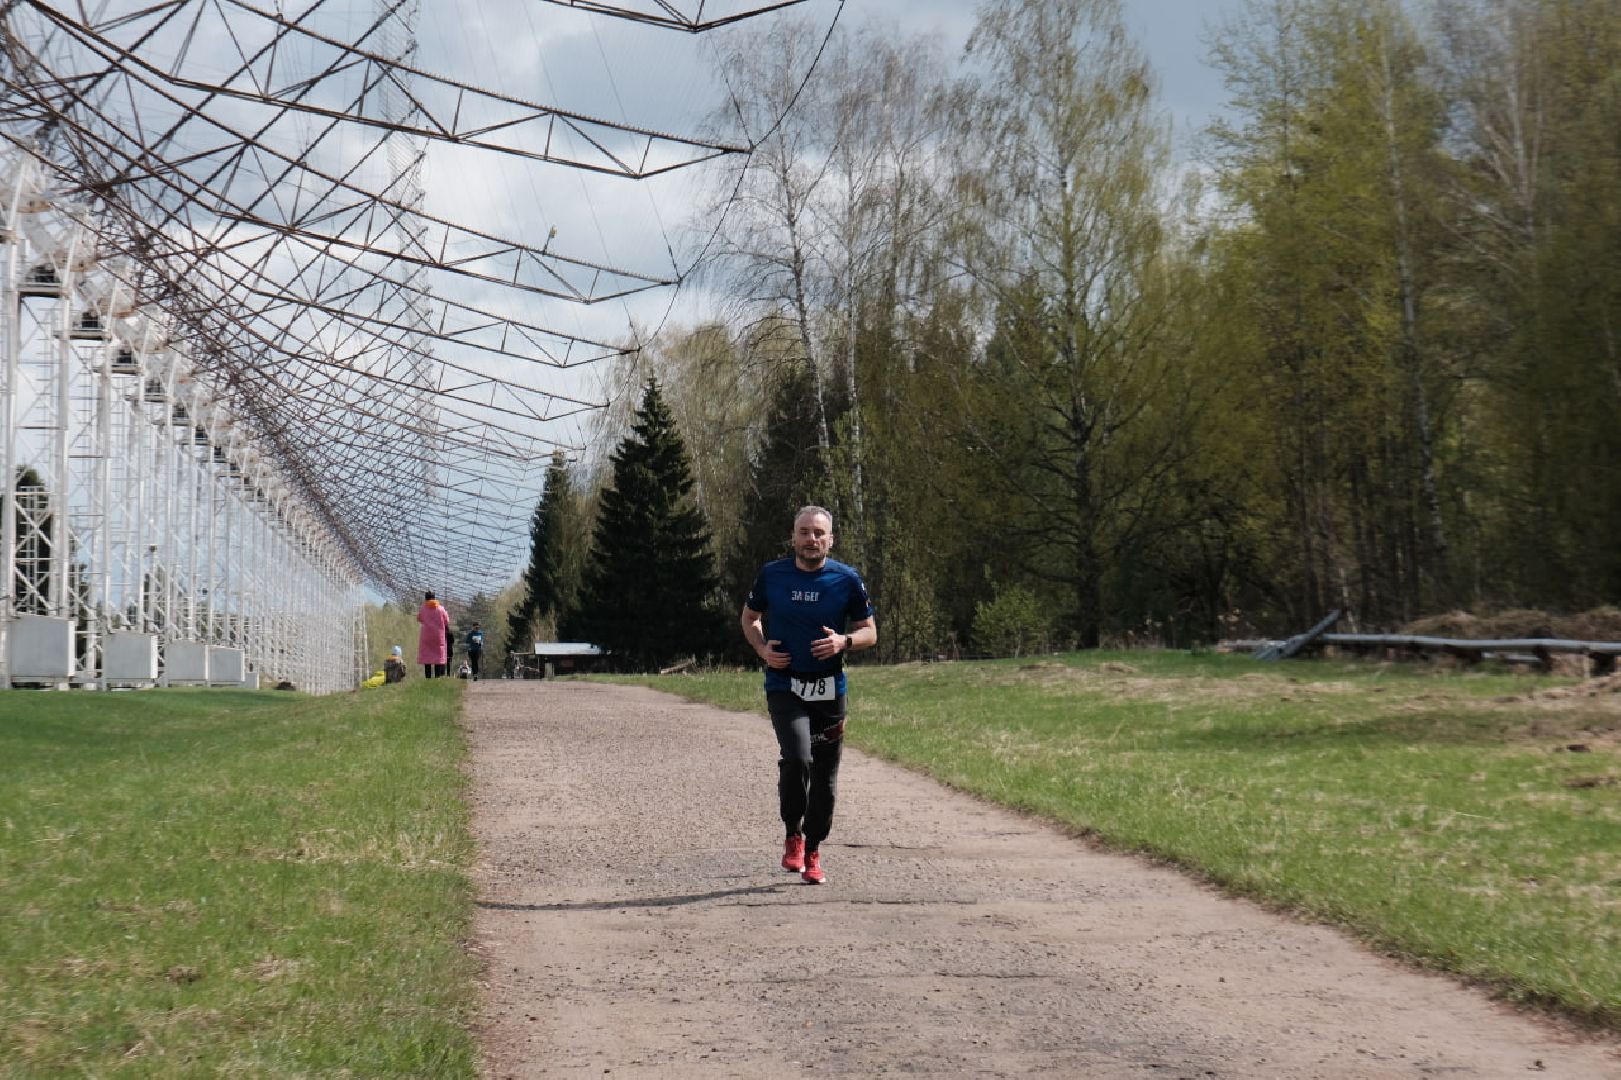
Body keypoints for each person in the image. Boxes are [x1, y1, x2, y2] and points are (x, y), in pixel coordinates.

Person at [740, 505, 876, 885]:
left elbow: (870, 631)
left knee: (825, 775)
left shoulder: (846, 579)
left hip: (830, 688)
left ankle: (814, 848)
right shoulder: (772, 575)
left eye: (819, 533)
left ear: (830, 540)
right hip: (785, 685)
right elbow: (749, 618)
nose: (811, 539)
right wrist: (764, 650)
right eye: (804, 532)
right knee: (798, 758)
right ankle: (792, 834)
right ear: (794, 537)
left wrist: (843, 641)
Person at [417, 592, 450, 678]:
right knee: (438, 656)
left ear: (426, 599)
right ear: (434, 598)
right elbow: (447, 621)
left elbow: (419, 618)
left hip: (426, 636)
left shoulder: (423, 609)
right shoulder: (441, 609)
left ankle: (428, 677)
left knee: (427, 656)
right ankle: (437, 677)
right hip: (438, 636)